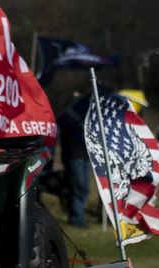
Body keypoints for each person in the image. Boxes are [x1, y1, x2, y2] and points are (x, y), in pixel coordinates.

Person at [58, 92, 89, 227]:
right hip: (73, 156)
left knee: (84, 188)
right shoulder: (66, 118)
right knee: (78, 187)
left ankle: (78, 216)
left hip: (84, 156)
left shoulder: (85, 117)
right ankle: (76, 218)